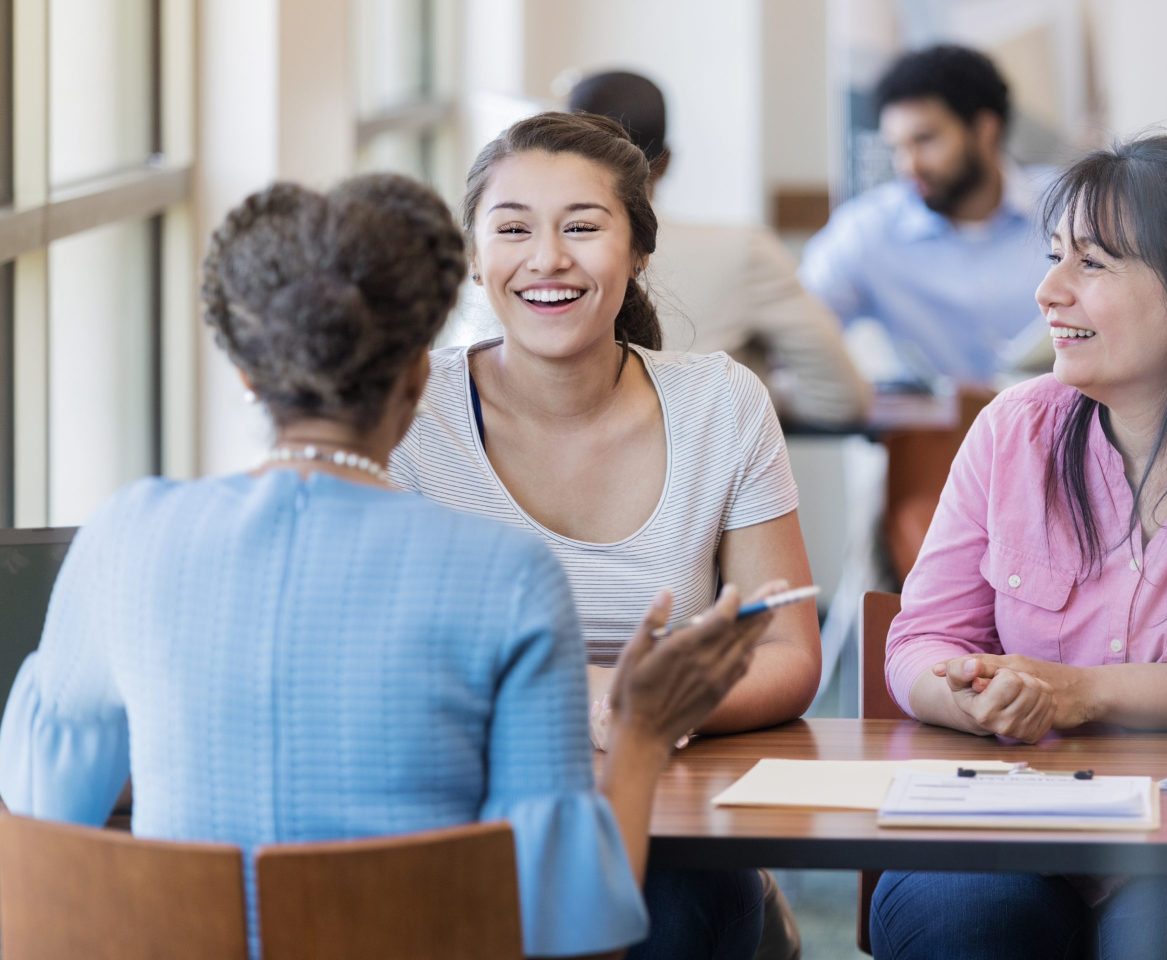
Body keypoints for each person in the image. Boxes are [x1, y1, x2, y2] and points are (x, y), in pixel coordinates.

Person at [0, 173, 782, 960]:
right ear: (419, 378)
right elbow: (571, 937)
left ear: (246, 375)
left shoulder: (125, 536)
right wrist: (642, 733)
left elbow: (40, 813)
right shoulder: (505, 576)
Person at [389, 111, 822, 960]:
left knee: (680, 909)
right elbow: (390, 650)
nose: (548, 259)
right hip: (464, 798)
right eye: (512, 229)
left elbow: (790, 651)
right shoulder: (408, 410)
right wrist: (598, 699)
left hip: (677, 814)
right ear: (475, 258)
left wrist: (647, 718)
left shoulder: (720, 403)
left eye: (583, 228)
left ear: (639, 252)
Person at [870, 135, 1167, 959]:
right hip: (1008, 819)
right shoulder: (1013, 430)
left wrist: (1086, 692)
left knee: (1164, 935)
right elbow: (920, 641)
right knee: (963, 922)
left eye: (1091, 266)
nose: (1048, 292)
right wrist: (968, 692)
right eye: (1055, 257)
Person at [566, 69, 870, 427]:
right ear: (666, 161)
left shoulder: (525, 262)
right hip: (702, 477)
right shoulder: (742, 252)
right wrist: (740, 403)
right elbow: (839, 397)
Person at [800, 44, 1050, 386]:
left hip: (1066, 431)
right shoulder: (869, 229)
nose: (909, 166)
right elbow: (798, 326)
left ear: (984, 129)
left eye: (925, 140)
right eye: (897, 148)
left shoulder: (1073, 209)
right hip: (931, 437)